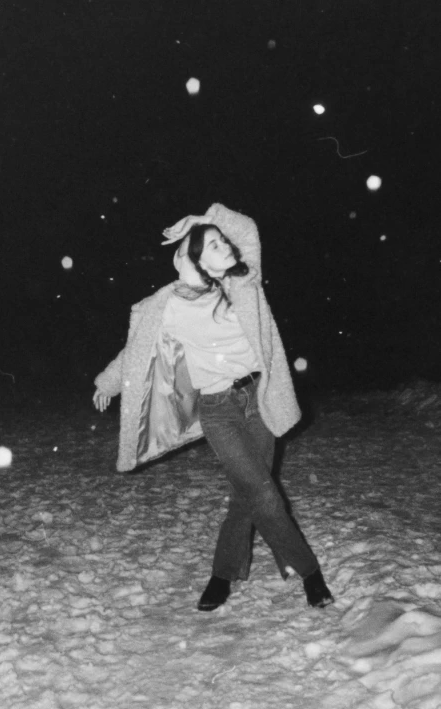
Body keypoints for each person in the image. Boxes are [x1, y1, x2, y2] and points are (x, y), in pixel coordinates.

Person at [93, 203, 334, 612]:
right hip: (218, 408)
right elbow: (135, 351)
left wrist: (203, 220)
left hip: (258, 398)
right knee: (264, 494)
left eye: (224, 242)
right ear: (195, 260)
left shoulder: (243, 280)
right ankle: (310, 573)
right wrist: (107, 382)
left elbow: (246, 227)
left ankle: (222, 575)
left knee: (248, 495)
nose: (225, 245)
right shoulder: (168, 304)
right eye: (214, 245)